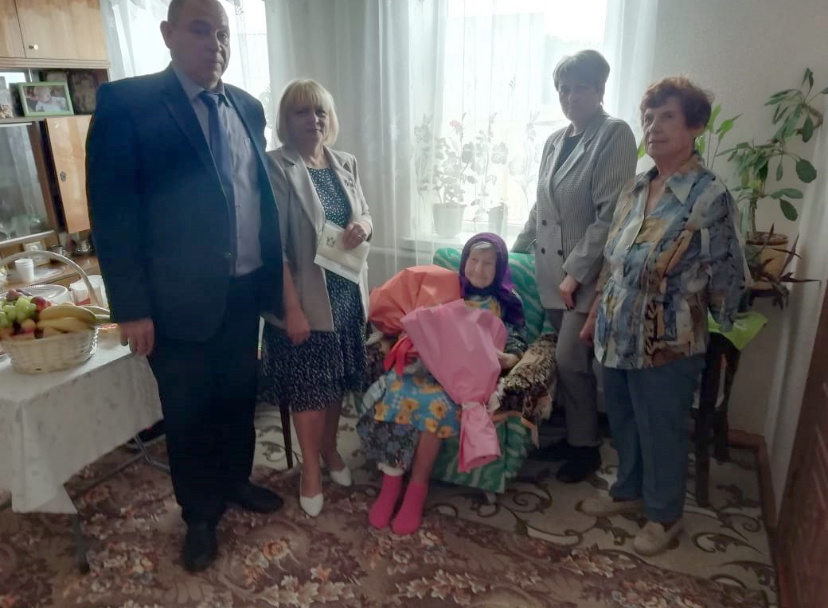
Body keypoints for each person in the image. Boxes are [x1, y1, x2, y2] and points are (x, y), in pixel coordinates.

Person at [86, 0, 284, 573]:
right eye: (201, 30)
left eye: (223, 34)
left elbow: (254, 198)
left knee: (238, 397)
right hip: (173, 302)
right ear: (167, 33)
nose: (215, 44)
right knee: (189, 410)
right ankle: (199, 515)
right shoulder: (128, 104)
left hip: (243, 290)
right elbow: (114, 214)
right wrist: (132, 307)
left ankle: (235, 480)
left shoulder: (247, 106)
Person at [579, 77, 747, 556]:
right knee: (624, 418)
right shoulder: (636, 187)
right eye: (648, 118)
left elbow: (729, 270)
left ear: (694, 126)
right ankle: (629, 490)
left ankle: (665, 514)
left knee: (662, 428)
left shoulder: (709, 195)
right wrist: (594, 314)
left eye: (667, 117)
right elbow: (613, 261)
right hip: (616, 328)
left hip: (669, 338)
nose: (653, 127)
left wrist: (723, 332)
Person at [513, 50, 637, 483]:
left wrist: (576, 273)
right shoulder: (554, 140)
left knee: (571, 361)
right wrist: (514, 250)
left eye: (580, 87)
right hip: (550, 274)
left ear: (600, 89)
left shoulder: (614, 134)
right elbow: (541, 207)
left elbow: (610, 215)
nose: (570, 96)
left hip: (584, 278)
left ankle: (586, 449)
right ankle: (573, 433)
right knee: (564, 363)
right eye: (564, 89)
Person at [358, 233, 527, 535]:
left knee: (433, 407)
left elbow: (517, 345)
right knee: (395, 393)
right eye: (473, 260)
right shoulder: (445, 288)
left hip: (460, 385)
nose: (478, 269)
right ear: (464, 262)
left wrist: (507, 357)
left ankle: (416, 489)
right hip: (424, 370)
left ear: (499, 268)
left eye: (488, 263)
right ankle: (391, 483)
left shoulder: (507, 303)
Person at [261, 79, 372, 518]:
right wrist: (291, 308)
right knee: (308, 387)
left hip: (345, 295)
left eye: (320, 111)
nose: (314, 120)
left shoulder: (345, 162)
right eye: (302, 112)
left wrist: (364, 226)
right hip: (304, 298)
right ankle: (310, 468)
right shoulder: (276, 166)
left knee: (336, 381)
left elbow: (364, 213)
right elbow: (275, 248)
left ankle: (329, 449)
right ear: (286, 121)